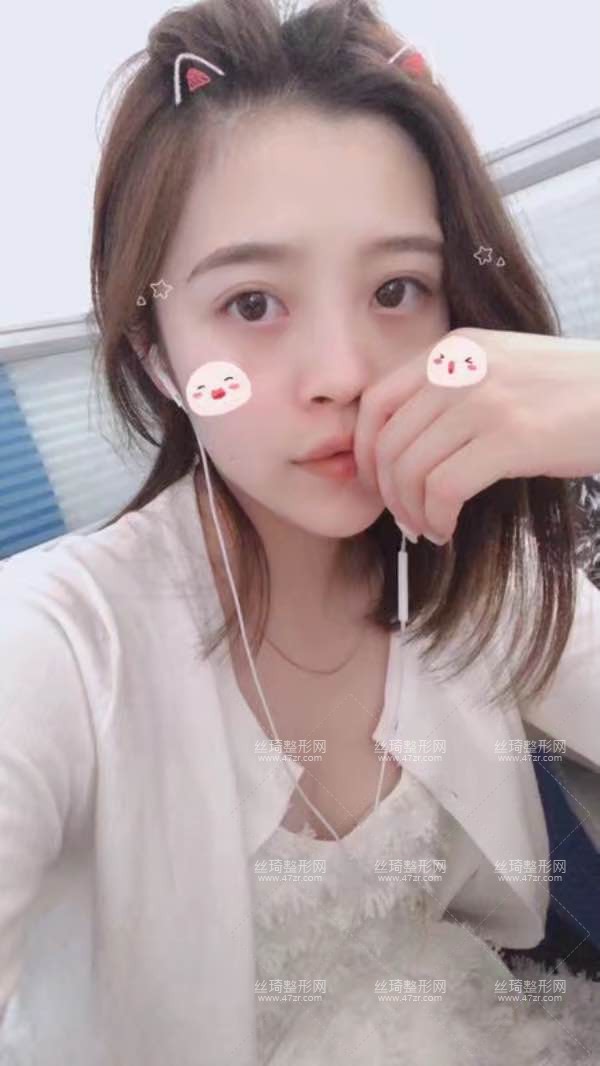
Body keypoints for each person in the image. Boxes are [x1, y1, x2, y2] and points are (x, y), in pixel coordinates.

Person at [1, 0, 600, 1062]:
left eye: (397, 289)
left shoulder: (471, 564)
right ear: (156, 355)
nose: (342, 373)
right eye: (252, 304)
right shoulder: (59, 646)